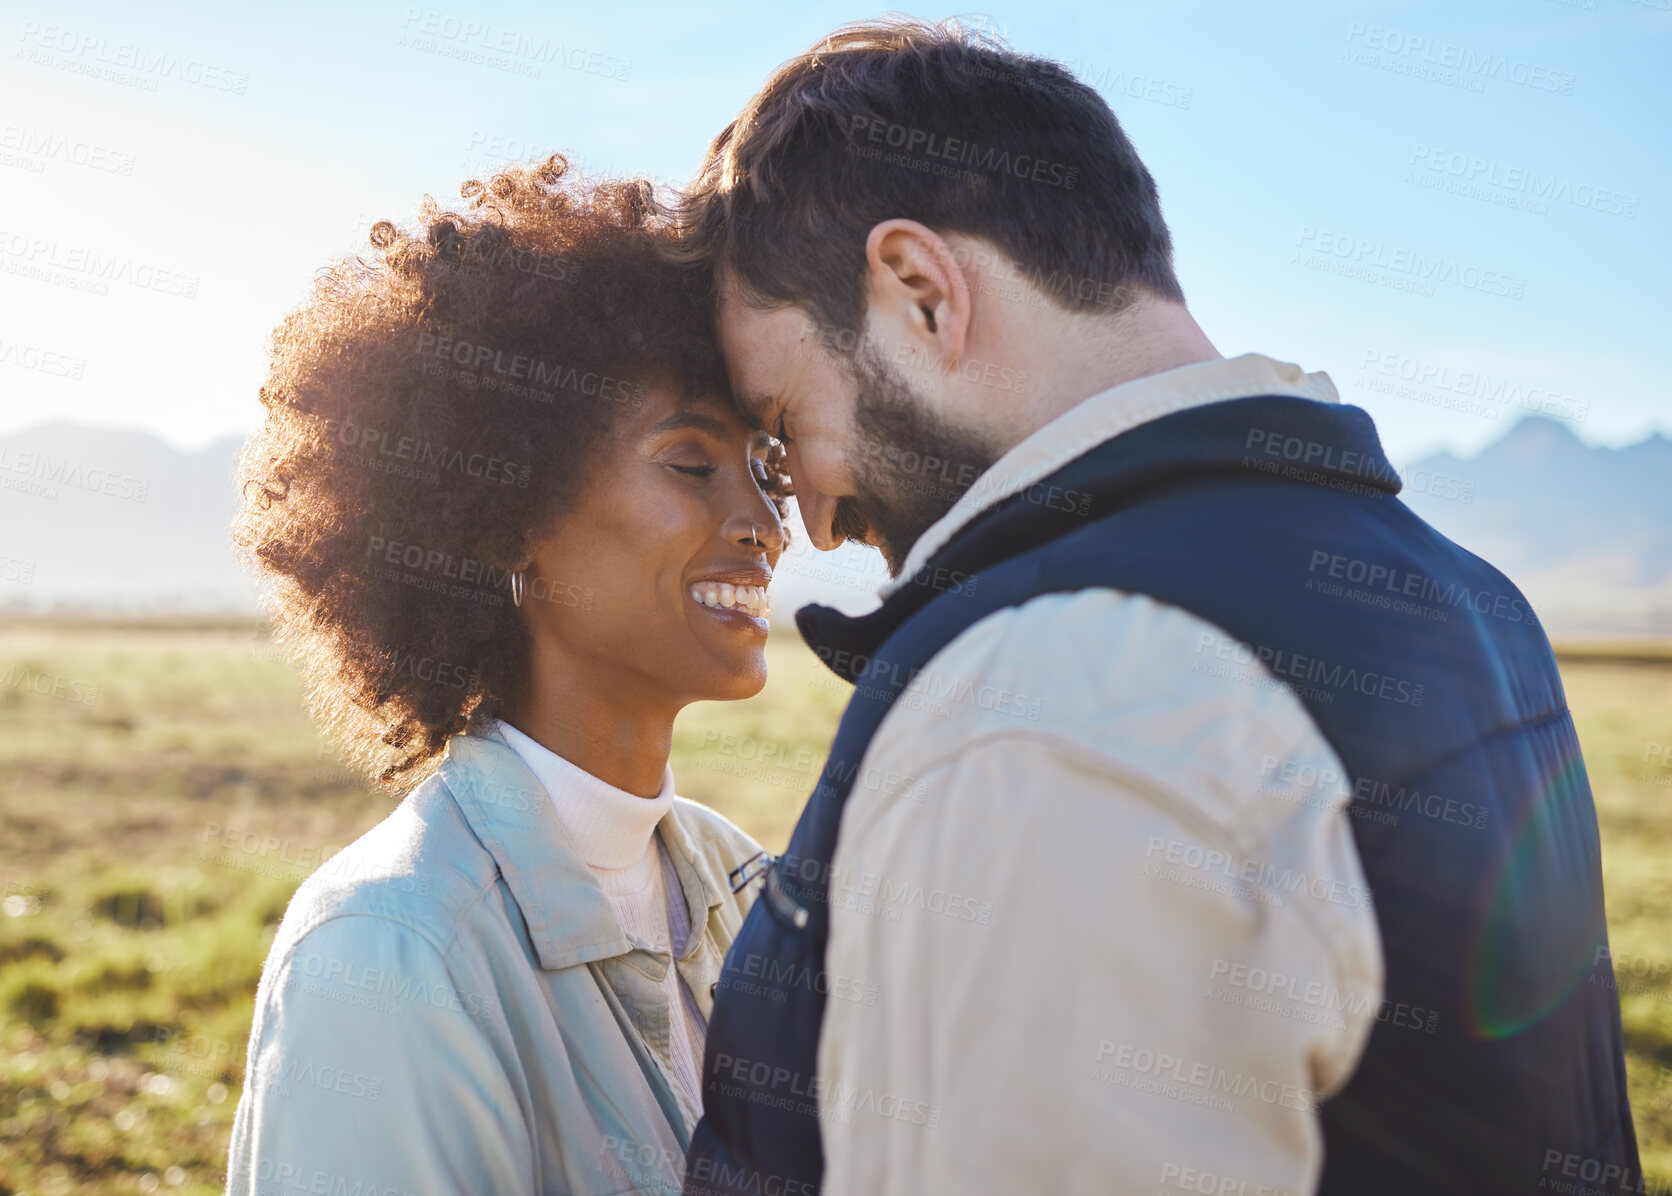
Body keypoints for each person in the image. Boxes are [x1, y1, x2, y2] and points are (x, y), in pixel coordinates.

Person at [674, 18, 1640, 1196]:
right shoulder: (1472, 600)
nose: (813, 522)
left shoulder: (1052, 694)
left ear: (922, 291)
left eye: (783, 428)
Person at [225, 159, 788, 1195]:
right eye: (691, 462)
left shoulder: (739, 879)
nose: (763, 524)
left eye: (768, 466)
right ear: (507, 522)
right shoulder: (392, 950)